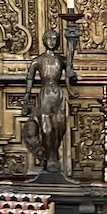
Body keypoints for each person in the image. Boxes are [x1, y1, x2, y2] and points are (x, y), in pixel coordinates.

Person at [21, 29, 77, 173]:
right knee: (47, 128)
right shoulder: (37, 61)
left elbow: (71, 76)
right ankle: (50, 158)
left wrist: (71, 75)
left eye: (54, 39)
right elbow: (30, 78)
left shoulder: (61, 60)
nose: (51, 42)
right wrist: (27, 95)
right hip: (45, 94)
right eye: (49, 39)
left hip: (58, 94)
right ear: (44, 41)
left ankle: (54, 154)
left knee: (59, 127)